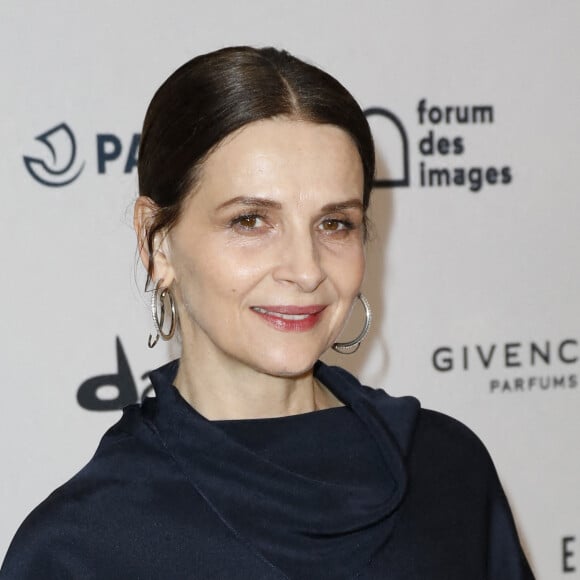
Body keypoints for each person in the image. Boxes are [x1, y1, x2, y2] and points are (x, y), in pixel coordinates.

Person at [1, 46, 534, 579]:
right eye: (251, 221)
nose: (306, 270)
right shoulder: (80, 549)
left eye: (335, 224)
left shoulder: (446, 469)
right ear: (156, 242)